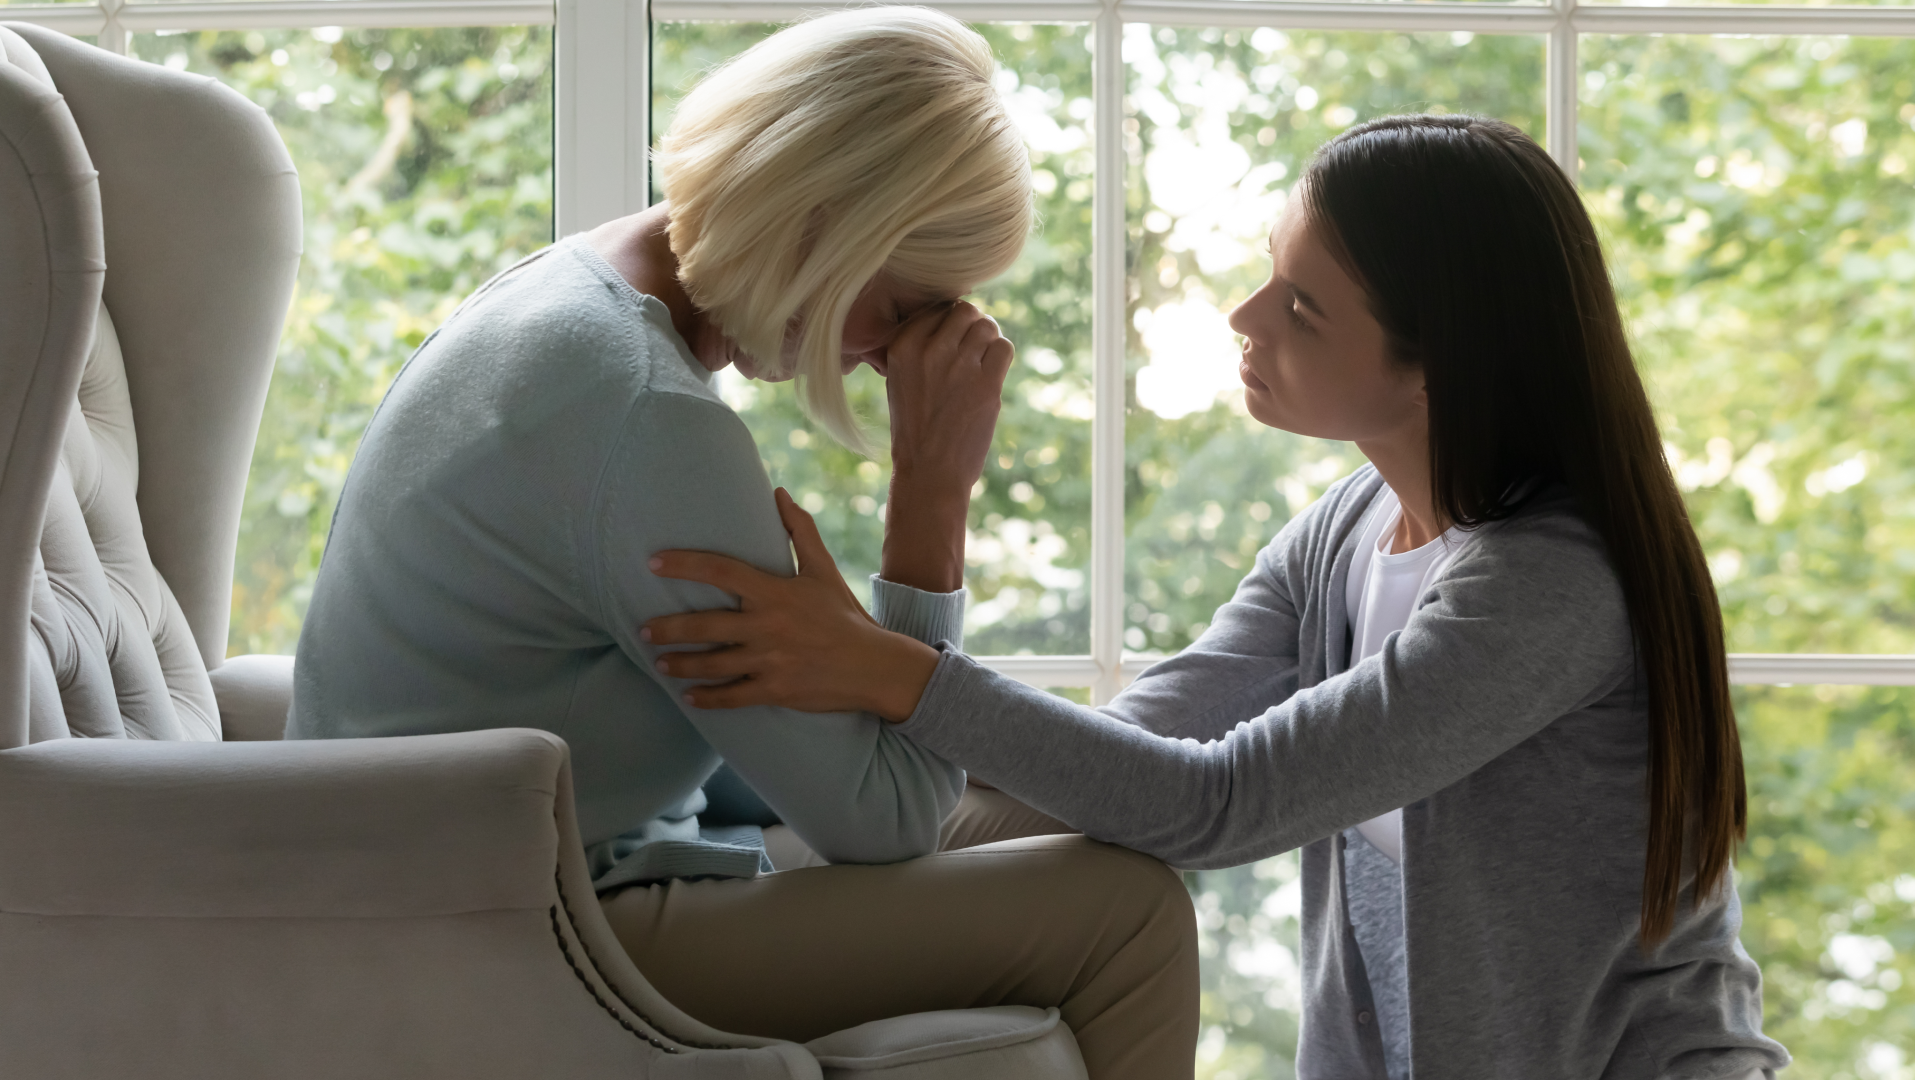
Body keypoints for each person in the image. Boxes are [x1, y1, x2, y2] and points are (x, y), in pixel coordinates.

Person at [643, 115, 1793, 1079]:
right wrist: (806, 800)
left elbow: (1217, 804)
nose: (1245, 319)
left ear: (1435, 361)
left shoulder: (1546, 588)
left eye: (1301, 308)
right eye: (1269, 275)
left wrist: (893, 673)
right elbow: (1128, 755)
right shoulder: (1345, 531)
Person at [287, 8, 1196, 1079]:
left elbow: (821, 772)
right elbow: (892, 821)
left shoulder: (568, 295)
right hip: (524, 935)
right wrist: (932, 491)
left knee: (1035, 808)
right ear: (827, 227)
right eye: (903, 311)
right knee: (1129, 911)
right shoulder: (645, 415)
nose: (883, 360)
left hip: (485, 882)